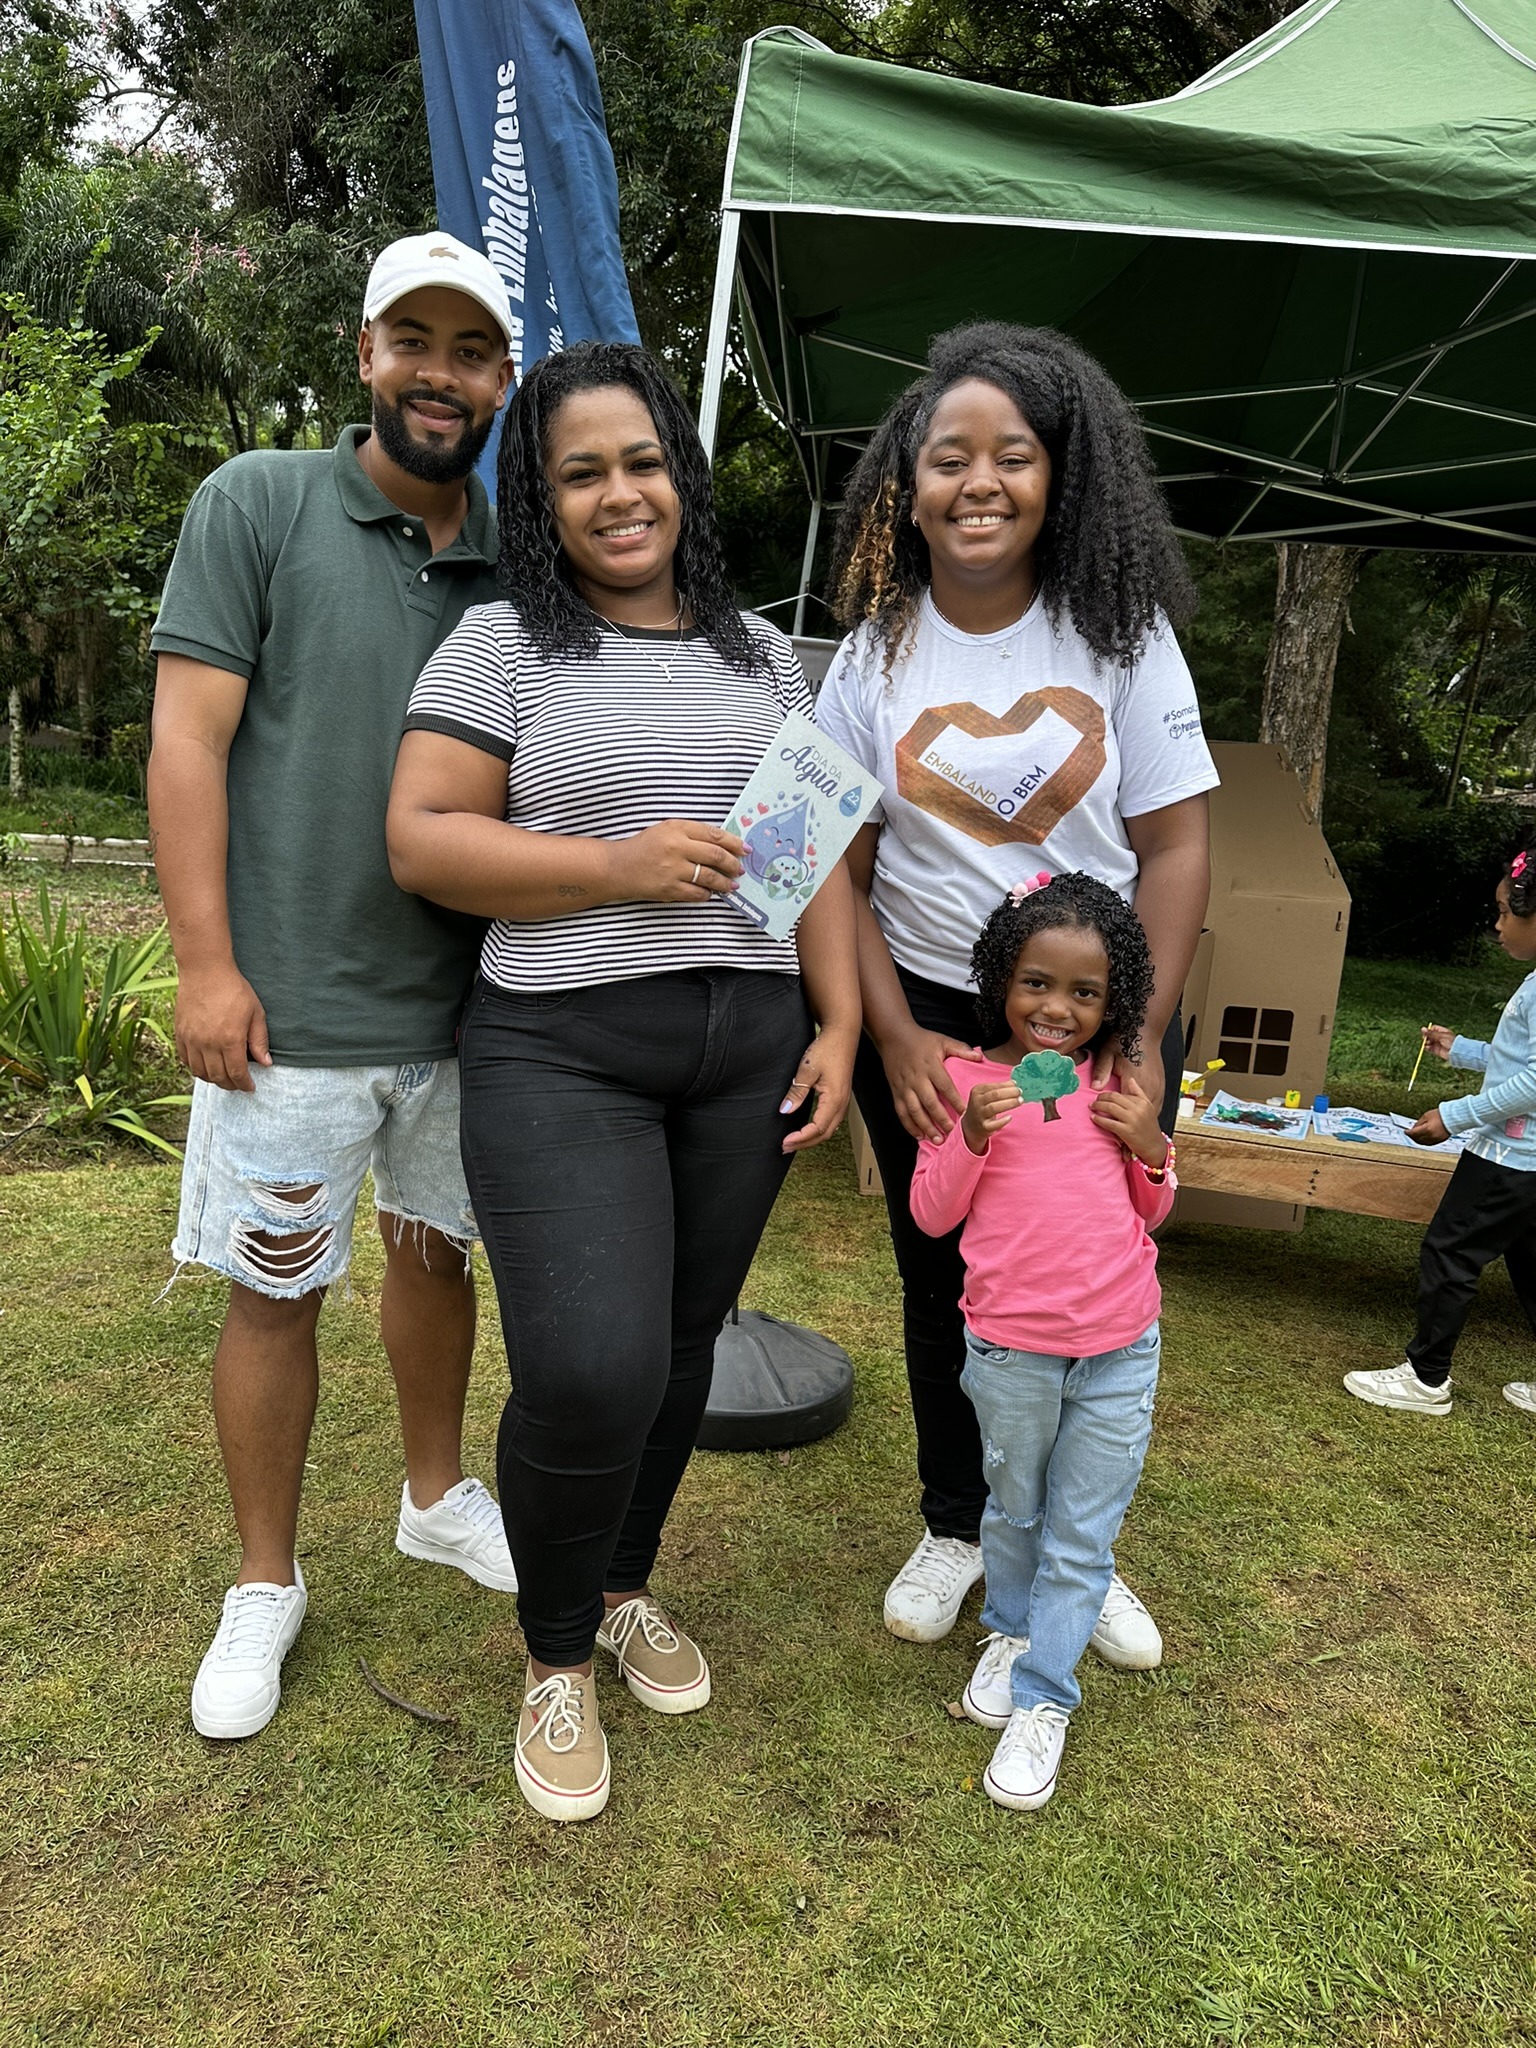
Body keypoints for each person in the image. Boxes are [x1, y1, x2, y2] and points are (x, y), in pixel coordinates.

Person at [387, 341, 860, 1825]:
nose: (618, 493)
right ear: (543, 495)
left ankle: (622, 1587)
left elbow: (809, 857)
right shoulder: (502, 646)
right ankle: (552, 1653)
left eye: (641, 460)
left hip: (749, 1056)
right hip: (562, 1048)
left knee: (671, 1353)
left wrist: (839, 1024)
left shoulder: (762, 654)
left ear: (682, 474)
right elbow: (422, 838)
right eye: (580, 470)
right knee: (589, 1366)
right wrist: (613, 865)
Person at [148, 232, 521, 1743]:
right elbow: (186, 744)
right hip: (287, 1009)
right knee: (273, 1288)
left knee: (440, 1260)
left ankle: (436, 1497)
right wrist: (206, 965)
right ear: (366, 353)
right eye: (413, 342)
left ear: (504, 378)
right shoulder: (259, 502)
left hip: (469, 1010)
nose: (441, 374)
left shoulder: (521, 551)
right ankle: (264, 1582)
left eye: (472, 351)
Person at [814, 322, 1216, 1657]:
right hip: (928, 1012)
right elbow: (804, 857)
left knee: (1089, 1273)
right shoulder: (867, 656)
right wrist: (894, 1035)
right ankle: (960, 1521)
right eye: (948, 458)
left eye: (1014, 456)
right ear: (906, 483)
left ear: (1062, 477)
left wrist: (1141, 1043)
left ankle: (1075, 1552)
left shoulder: (1123, 631)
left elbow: (1178, 844)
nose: (978, 483)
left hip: (1099, 1014)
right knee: (947, 1279)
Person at [909, 872, 1174, 1810]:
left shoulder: (1122, 1086)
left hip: (1118, 1346)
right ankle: (1013, 1632)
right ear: (1000, 980)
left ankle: (1044, 1699)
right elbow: (932, 1215)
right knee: (1014, 1513)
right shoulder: (967, 1081)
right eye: (1036, 984)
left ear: (1115, 1003)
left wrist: (1150, 1146)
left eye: (1085, 993)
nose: (1057, 1009)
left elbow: (1153, 1208)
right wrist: (970, 1138)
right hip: (1010, 1353)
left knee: (1080, 1533)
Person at [1346, 847, 1536, 1420]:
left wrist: (1454, 1117)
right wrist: (1463, 1050)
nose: (1497, 924)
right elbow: (1516, 1059)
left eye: (1506, 913)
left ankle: (1426, 1380)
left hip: (1509, 1155)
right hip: (1529, 1162)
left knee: (1450, 1251)